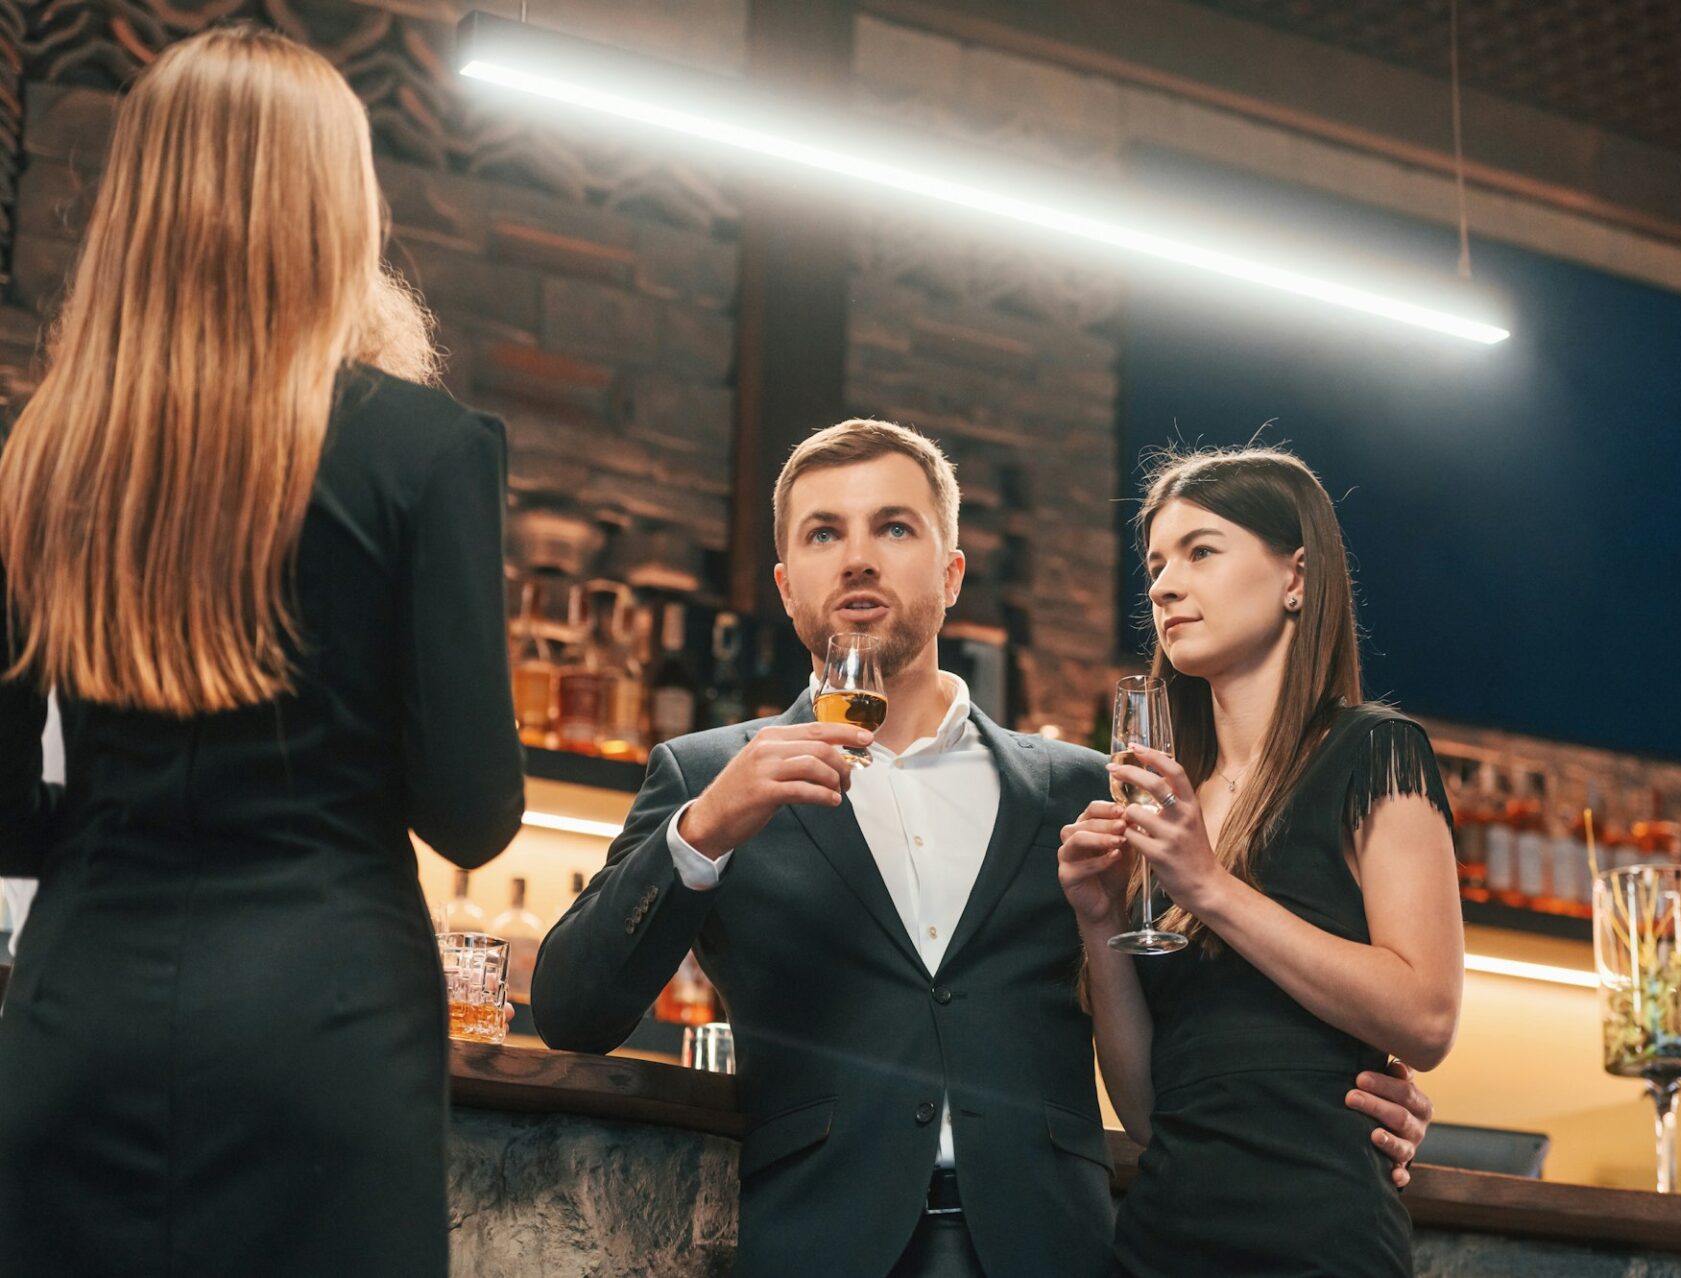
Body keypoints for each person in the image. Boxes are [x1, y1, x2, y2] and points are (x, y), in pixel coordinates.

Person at [533, 420, 1434, 1278]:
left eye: (893, 527)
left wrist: (1342, 1099)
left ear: (953, 572)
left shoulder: (1092, 788)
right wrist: (702, 834)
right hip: (821, 1245)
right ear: (785, 585)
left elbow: (1206, 1035)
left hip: (1062, 1249)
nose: (857, 557)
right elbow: (571, 1012)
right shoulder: (706, 775)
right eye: (821, 534)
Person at [0, 25, 524, 1277]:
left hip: (80, 1021)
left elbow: (7, 817)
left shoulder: (40, 460)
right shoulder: (425, 450)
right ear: (341, 204)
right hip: (325, 1036)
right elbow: (473, 813)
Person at [1060, 446, 1465, 1277]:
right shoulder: (1173, 806)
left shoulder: (1374, 752)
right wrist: (1099, 919)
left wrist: (1208, 887)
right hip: (1159, 1239)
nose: (1165, 586)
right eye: (1157, 564)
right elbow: (1144, 1110)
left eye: (1201, 551)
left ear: (1297, 576)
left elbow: (1426, 1018)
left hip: (1318, 1238)